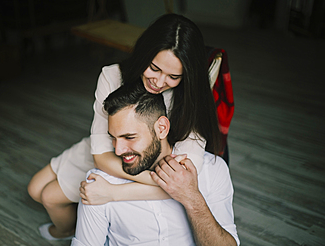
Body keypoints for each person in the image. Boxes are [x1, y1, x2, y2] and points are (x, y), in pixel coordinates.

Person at [27, 13, 221, 240]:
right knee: (34, 189)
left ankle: (67, 231)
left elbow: (186, 179)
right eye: (154, 68)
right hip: (111, 153)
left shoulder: (192, 98)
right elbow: (101, 156)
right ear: (144, 54)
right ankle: (72, 225)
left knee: (50, 196)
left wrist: (114, 193)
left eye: (173, 76)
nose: (158, 83)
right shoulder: (112, 75)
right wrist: (164, 184)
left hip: (147, 163)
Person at [72, 83, 239, 245]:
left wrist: (192, 198)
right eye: (113, 138)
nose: (118, 151)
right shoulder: (99, 185)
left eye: (129, 137)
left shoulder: (213, 170)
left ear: (161, 128)